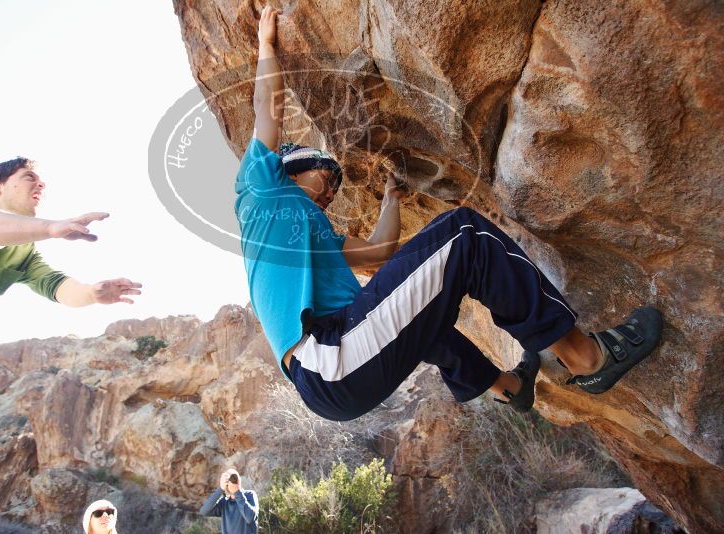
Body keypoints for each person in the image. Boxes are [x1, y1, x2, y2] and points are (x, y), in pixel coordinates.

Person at [234, 6, 663, 423]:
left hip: (337, 364)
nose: (330, 189)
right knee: (465, 234)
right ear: (287, 169)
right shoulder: (262, 189)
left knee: (423, 311)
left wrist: (392, 200)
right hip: (328, 358)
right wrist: (266, 44)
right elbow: (264, 107)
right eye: (324, 176)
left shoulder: (313, 237)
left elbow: (381, 252)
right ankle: (587, 359)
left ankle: (508, 388)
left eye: (335, 185)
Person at [0, 158, 142, 534]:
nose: (40, 186)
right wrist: (52, 228)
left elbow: (57, 286)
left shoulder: (23, 255)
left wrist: (92, 292)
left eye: (43, 182)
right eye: (30, 178)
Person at [199, 468, 259, 534]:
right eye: (227, 479)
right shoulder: (224, 502)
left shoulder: (249, 495)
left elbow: (249, 518)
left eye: (234, 478)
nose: (230, 481)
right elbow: (204, 511)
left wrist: (237, 492)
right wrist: (220, 489)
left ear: (239, 481)